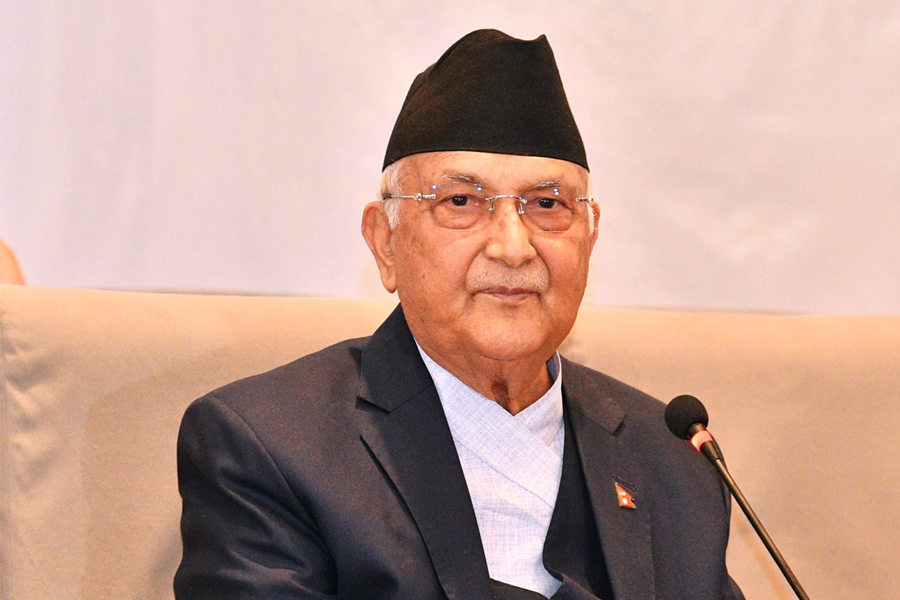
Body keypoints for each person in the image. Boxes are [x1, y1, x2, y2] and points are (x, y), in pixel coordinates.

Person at [175, 30, 744, 600]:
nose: (513, 247)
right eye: (462, 202)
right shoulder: (270, 445)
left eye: (547, 204)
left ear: (589, 241)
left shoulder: (675, 462)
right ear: (386, 243)